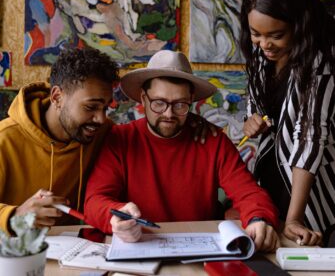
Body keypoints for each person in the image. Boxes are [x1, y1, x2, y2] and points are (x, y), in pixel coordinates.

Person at [84, 50, 280, 252]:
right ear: (143, 98)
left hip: (201, 252)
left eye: (180, 105)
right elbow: (94, 201)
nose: (168, 114)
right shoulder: (119, 140)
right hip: (137, 248)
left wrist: (259, 218)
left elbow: (248, 192)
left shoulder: (213, 141)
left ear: (191, 100)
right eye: (159, 103)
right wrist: (115, 217)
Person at [240, 0, 335, 246]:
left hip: (311, 191)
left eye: (276, 35)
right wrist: (251, 121)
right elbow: (257, 108)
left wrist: (295, 218)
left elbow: (310, 137)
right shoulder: (262, 53)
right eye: (256, 34)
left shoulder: (321, 62)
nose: (264, 44)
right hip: (273, 180)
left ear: (300, 24)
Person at [0, 48, 119, 233]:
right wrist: (15, 215)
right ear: (57, 97)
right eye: (91, 107)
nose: (101, 118)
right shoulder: (4, 139)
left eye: (105, 108)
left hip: (75, 251)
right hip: (13, 253)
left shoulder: (103, 133)